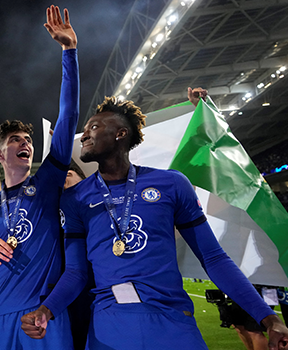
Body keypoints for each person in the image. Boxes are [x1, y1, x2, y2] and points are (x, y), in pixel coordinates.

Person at [21, 88, 288, 349]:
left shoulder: (171, 184)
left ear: (120, 134)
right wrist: (47, 310)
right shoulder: (76, 198)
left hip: (171, 322)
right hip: (109, 326)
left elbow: (214, 258)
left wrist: (269, 318)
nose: (84, 137)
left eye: (93, 128)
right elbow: (77, 273)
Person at [0, 5, 79, 349]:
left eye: (28, 141)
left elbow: (68, 115)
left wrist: (69, 52)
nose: (25, 144)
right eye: (15, 140)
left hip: (42, 311)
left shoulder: (46, 183)